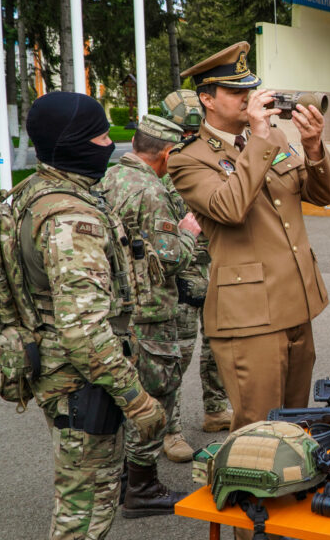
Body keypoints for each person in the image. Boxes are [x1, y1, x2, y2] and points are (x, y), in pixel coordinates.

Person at [167, 41, 330, 434]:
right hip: (249, 317)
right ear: (207, 100)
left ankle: (292, 492)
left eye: (250, 89)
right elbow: (229, 208)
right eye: (235, 92)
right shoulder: (188, 157)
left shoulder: (272, 138)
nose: (248, 98)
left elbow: (323, 195)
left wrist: (313, 147)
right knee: (259, 430)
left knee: (296, 424)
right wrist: (260, 139)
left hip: (297, 301)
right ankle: (249, 495)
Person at [21, 92, 166, 539]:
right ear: (73, 143)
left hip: (64, 372)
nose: (110, 145)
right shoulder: (70, 218)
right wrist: (136, 399)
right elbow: (83, 330)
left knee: (85, 495)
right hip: (81, 383)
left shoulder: (39, 191)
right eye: (101, 135)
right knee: (86, 505)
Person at [97, 115, 199, 516]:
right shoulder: (151, 190)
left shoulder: (109, 179)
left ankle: (124, 480)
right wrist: (188, 232)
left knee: (125, 396)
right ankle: (142, 488)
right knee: (154, 399)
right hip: (151, 312)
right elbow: (170, 258)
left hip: (118, 311)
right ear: (168, 154)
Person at [160, 90, 233, 456]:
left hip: (216, 265)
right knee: (178, 354)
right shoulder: (170, 165)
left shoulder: (214, 155)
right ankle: (168, 429)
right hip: (184, 275)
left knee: (218, 345)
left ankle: (216, 409)